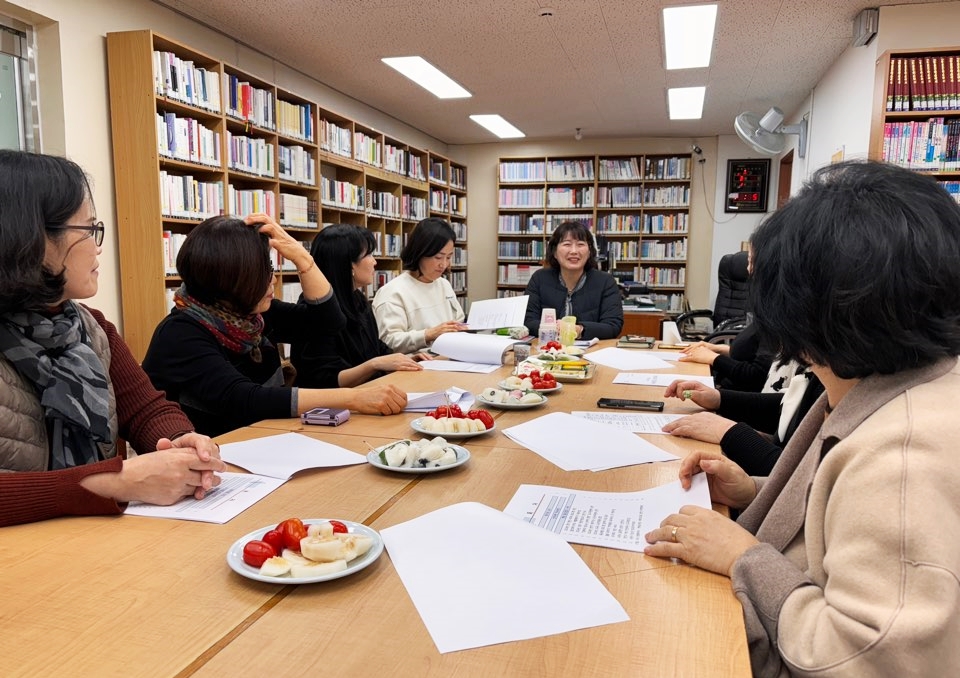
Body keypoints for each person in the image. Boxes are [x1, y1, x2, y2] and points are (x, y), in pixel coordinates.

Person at [644, 161, 960, 676]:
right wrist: (754, 491)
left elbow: (865, 659)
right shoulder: (893, 382)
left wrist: (743, 556)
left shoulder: (903, 458)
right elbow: (839, 516)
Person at [0, 150, 225, 527]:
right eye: (88, 229)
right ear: (32, 239)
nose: (98, 244)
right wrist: (116, 482)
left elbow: (146, 409)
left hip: (88, 545)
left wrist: (182, 440)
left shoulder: (91, 327)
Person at [142, 215, 406, 437]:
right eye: (263, 271)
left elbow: (329, 322)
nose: (274, 281)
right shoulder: (181, 333)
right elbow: (246, 399)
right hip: (216, 463)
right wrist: (352, 398)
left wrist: (304, 260)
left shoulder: (247, 316)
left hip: (263, 442)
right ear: (234, 279)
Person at [291, 224, 428, 388]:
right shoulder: (316, 311)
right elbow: (325, 379)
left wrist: (404, 360)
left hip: (370, 391)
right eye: (369, 255)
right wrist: (374, 364)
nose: (375, 262)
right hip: (333, 406)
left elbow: (375, 347)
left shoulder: (358, 299)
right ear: (349, 265)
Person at [660, 363, 824, 476]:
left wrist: (727, 431)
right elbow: (789, 411)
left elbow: (801, 476)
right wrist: (719, 399)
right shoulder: (821, 375)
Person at [372, 217, 466, 353]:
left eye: (449, 257)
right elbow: (388, 342)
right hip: (414, 367)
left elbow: (458, 320)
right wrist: (428, 334)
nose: (444, 264)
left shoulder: (444, 284)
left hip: (447, 357)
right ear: (420, 253)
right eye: (438, 257)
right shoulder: (393, 292)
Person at [523, 221, 623, 340]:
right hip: (548, 350)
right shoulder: (539, 278)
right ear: (554, 252)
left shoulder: (605, 281)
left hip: (590, 352)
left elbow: (613, 326)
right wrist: (553, 328)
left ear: (589, 251)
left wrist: (579, 329)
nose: (574, 251)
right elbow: (527, 320)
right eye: (567, 244)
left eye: (580, 244)